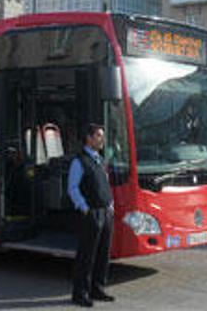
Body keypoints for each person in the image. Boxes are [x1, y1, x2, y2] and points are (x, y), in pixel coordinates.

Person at [67, 123, 115, 307]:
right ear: (89, 138)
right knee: (87, 255)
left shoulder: (100, 160)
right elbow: (72, 188)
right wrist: (84, 208)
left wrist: (110, 206)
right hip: (92, 213)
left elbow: (105, 184)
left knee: (103, 253)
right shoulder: (79, 161)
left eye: (102, 136)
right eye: (98, 136)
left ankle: (97, 288)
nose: (102, 139)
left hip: (106, 212)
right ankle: (80, 293)